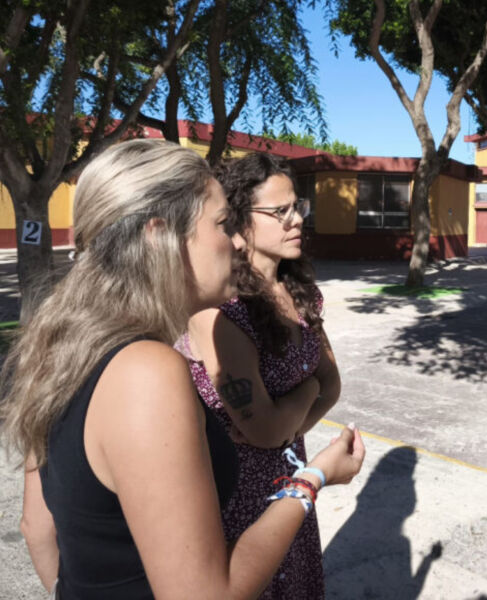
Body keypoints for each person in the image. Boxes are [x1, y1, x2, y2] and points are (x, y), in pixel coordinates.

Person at [1, 139, 364, 600]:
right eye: (220, 223)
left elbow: (37, 529)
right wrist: (312, 479)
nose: (235, 240)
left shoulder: (56, 348)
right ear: (159, 236)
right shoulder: (146, 370)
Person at [177, 152, 339, 599]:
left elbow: (333, 387)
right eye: (278, 211)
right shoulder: (220, 309)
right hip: (236, 495)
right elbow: (270, 423)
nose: (296, 220)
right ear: (240, 222)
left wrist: (284, 426)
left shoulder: (302, 292)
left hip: (290, 477)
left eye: (297, 207)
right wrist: (305, 392)